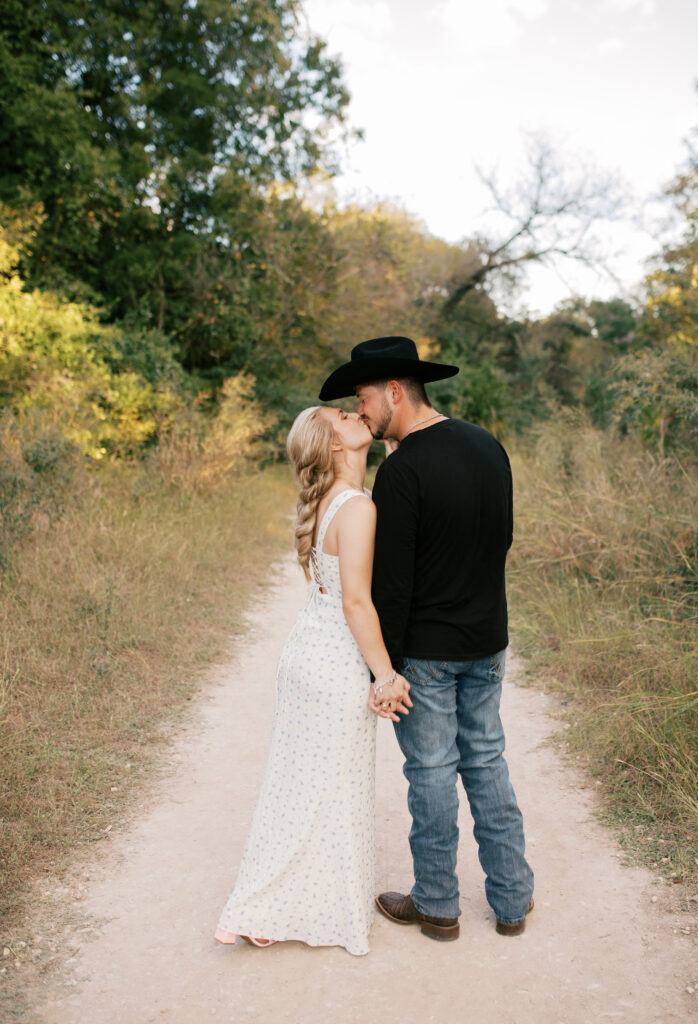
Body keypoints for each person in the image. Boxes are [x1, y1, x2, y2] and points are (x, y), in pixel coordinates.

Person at [319, 336, 535, 942]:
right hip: (487, 641)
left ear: (394, 391)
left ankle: (439, 905)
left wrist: (381, 672)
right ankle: (513, 900)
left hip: (429, 656)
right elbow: (504, 540)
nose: (360, 412)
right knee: (488, 761)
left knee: (433, 773)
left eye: (362, 399)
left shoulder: (402, 470)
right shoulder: (488, 446)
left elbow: (391, 586)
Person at [214, 404, 411, 956]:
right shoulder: (358, 507)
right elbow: (356, 602)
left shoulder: (329, 500)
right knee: (333, 793)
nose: (357, 413)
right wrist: (386, 675)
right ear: (331, 445)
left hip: (305, 655)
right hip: (334, 667)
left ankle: (264, 910)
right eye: (344, 415)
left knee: (298, 790)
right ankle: (261, 906)